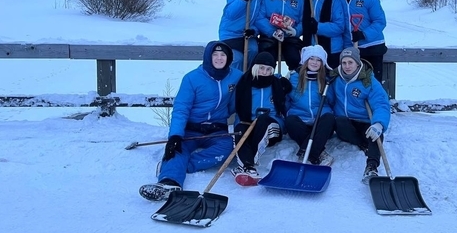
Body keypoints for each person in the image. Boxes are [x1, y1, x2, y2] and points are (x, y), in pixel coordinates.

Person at [139, 41, 243, 201]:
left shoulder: (236, 76)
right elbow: (181, 109)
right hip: (191, 129)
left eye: (223, 55)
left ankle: (176, 166)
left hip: (217, 130)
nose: (219, 58)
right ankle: (169, 182)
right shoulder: (192, 79)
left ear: (229, 58)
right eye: (215, 54)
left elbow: (244, 98)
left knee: (227, 149)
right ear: (208, 57)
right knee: (177, 149)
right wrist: (175, 135)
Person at [329, 46, 390, 183]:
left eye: (350, 62)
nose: (347, 66)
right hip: (345, 123)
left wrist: (379, 124)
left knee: (376, 134)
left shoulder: (368, 81)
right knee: (339, 122)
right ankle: (362, 143)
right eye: (344, 63)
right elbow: (329, 100)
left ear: (357, 62)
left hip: (364, 122)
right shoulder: (335, 79)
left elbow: (381, 104)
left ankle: (372, 166)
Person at [231, 51, 292, 185]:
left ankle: (249, 162)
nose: (264, 72)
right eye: (261, 68)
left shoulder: (277, 84)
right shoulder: (245, 83)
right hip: (250, 124)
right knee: (239, 129)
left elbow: (286, 104)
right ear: (255, 67)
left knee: (264, 119)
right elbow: (239, 109)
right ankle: (247, 166)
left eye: (268, 69)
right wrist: (240, 125)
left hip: (273, 125)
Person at [285, 45, 335, 166]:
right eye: (311, 59)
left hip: (320, 123)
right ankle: (319, 152)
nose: (314, 62)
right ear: (306, 60)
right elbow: (286, 100)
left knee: (329, 118)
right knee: (290, 121)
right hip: (300, 121)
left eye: (318, 60)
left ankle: (307, 152)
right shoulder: (293, 78)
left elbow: (332, 101)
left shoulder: (326, 80)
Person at [338, 0, 387, 83]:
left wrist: (363, 34)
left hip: (372, 46)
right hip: (350, 48)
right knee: (354, 85)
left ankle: (375, 102)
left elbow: (380, 21)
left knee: (372, 83)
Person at [218, 0, 272, 71]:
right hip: (230, 34)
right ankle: (235, 81)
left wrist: (253, 31)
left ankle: (247, 76)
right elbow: (230, 13)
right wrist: (242, 0)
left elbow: (256, 20)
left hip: (245, 34)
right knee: (238, 59)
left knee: (254, 50)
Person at [256, 0, 305, 73]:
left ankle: (294, 82)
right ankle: (268, 83)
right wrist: (272, 31)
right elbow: (259, 18)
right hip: (270, 36)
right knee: (266, 59)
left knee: (294, 59)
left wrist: (295, 31)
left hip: (290, 37)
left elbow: (303, 21)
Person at [301, 0, 345, 69]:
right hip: (311, 47)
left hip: (331, 48)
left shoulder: (335, 0)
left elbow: (339, 26)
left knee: (329, 79)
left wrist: (318, 27)